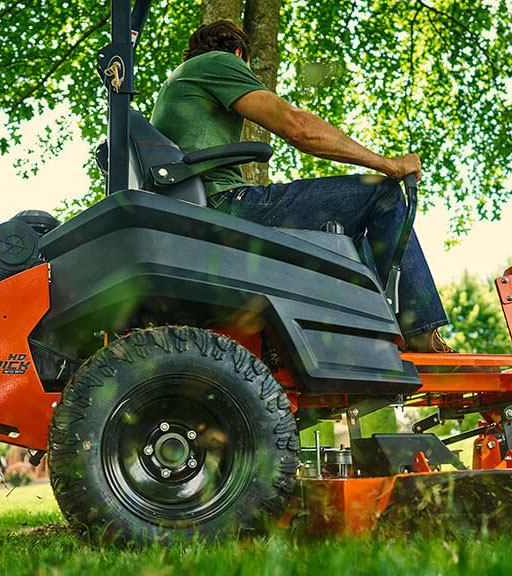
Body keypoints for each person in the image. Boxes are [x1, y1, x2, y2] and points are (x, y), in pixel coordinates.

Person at [150, 20, 452, 352]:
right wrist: (389, 165)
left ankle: (374, 337)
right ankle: (421, 332)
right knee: (382, 194)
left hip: (201, 211)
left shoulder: (178, 83)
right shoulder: (219, 63)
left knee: (350, 230)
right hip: (225, 204)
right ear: (239, 54)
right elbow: (298, 128)